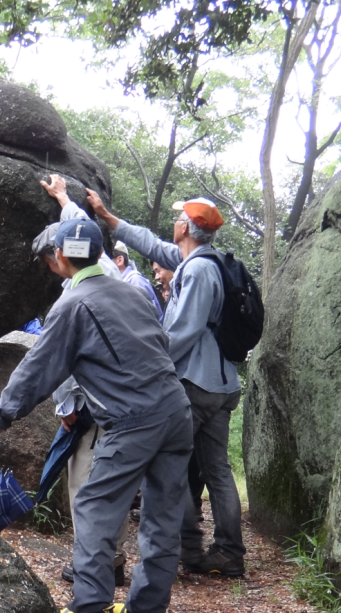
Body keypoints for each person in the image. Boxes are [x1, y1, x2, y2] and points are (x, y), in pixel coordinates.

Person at [0, 218, 193, 613]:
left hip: (132, 420)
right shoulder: (133, 292)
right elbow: (160, 343)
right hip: (177, 412)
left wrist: (0, 417)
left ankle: (89, 607)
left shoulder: (72, 304)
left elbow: (39, 368)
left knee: (95, 511)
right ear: (100, 254)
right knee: (162, 519)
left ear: (58, 257)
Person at [86, 191, 246, 578]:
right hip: (221, 385)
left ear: (186, 228)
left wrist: (148, 370)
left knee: (171, 468)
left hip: (195, 384)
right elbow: (151, 244)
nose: (172, 225)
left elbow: (181, 332)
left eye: (178, 219)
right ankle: (227, 554)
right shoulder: (200, 259)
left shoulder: (197, 270)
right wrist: (109, 217)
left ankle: (186, 550)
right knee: (217, 471)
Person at [31, 223, 130, 587]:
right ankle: (113, 558)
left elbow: (62, 359)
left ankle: (93, 563)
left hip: (90, 406)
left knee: (84, 484)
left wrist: (65, 405)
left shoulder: (74, 295)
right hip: (126, 404)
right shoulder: (113, 279)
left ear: (57, 255)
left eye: (48, 258)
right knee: (112, 481)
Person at [112, 242, 164, 324]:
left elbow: (149, 320)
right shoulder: (121, 282)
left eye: (106, 260)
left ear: (120, 260)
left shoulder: (135, 281)